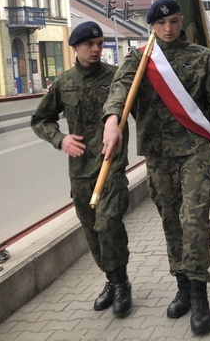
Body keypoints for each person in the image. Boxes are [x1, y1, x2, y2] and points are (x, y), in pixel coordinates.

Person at [101, 0, 210, 335]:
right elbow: (119, 90)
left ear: (181, 20)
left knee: (194, 218)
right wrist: (113, 119)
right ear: (152, 27)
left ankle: (200, 293)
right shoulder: (140, 59)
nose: (168, 29)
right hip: (158, 155)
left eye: (173, 21)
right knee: (171, 220)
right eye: (160, 24)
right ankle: (183, 285)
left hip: (195, 151)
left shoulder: (200, 57)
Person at [31, 21, 133, 317]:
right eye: (90, 44)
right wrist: (60, 139)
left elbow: (141, 107)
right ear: (75, 47)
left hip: (110, 165)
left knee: (108, 224)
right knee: (91, 229)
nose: (96, 49)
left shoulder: (116, 78)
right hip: (79, 171)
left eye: (100, 43)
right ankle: (111, 280)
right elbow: (41, 120)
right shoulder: (64, 82)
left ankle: (122, 282)